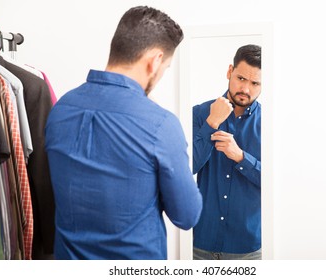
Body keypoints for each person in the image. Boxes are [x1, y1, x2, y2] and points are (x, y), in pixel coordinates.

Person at [44, 6, 202, 260]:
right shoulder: (160, 125)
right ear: (155, 60)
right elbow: (187, 216)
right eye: (166, 67)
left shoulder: (60, 109)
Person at [192, 44, 262, 260]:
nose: (246, 89)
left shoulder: (271, 123)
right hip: (200, 243)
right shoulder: (199, 113)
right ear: (229, 71)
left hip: (247, 249)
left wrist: (241, 157)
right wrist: (212, 122)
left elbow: (279, 184)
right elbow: (187, 167)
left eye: (255, 83)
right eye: (241, 78)